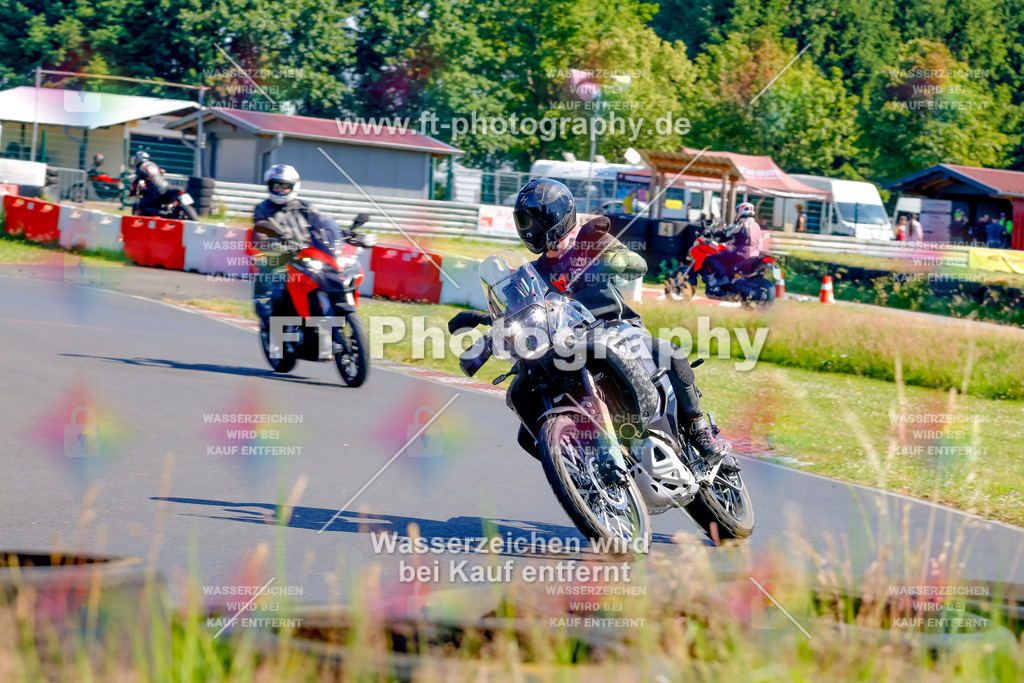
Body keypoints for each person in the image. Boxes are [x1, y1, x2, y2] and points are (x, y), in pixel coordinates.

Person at [448, 178, 727, 478]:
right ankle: (583, 475)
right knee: (525, 428)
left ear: (553, 216)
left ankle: (698, 427)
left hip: (614, 328)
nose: (527, 226)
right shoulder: (526, 277)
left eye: (530, 218)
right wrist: (493, 333)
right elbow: (513, 313)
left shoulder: (589, 242)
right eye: (522, 219)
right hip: (559, 345)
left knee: (666, 352)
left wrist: (613, 260)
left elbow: (637, 266)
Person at [250, 164, 376, 318]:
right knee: (277, 284)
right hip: (282, 254)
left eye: (285, 187)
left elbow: (324, 225)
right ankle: (268, 312)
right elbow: (260, 228)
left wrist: (351, 235)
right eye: (276, 186)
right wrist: (273, 243)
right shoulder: (263, 208)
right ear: (269, 186)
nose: (280, 190)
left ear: (294, 187)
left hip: (308, 254)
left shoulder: (305, 207)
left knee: (333, 275)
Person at [703, 202, 762, 294]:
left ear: (740, 211)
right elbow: (748, 239)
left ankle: (723, 278)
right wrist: (733, 242)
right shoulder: (756, 225)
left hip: (741, 253)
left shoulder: (742, 223)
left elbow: (726, 233)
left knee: (712, 258)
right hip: (754, 253)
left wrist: (711, 233)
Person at [132, 151, 174, 216]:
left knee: (142, 205)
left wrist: (132, 190)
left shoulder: (140, 167)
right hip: (166, 186)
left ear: (139, 159)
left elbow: (137, 180)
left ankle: (164, 214)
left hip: (156, 191)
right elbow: (161, 172)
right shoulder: (153, 164)